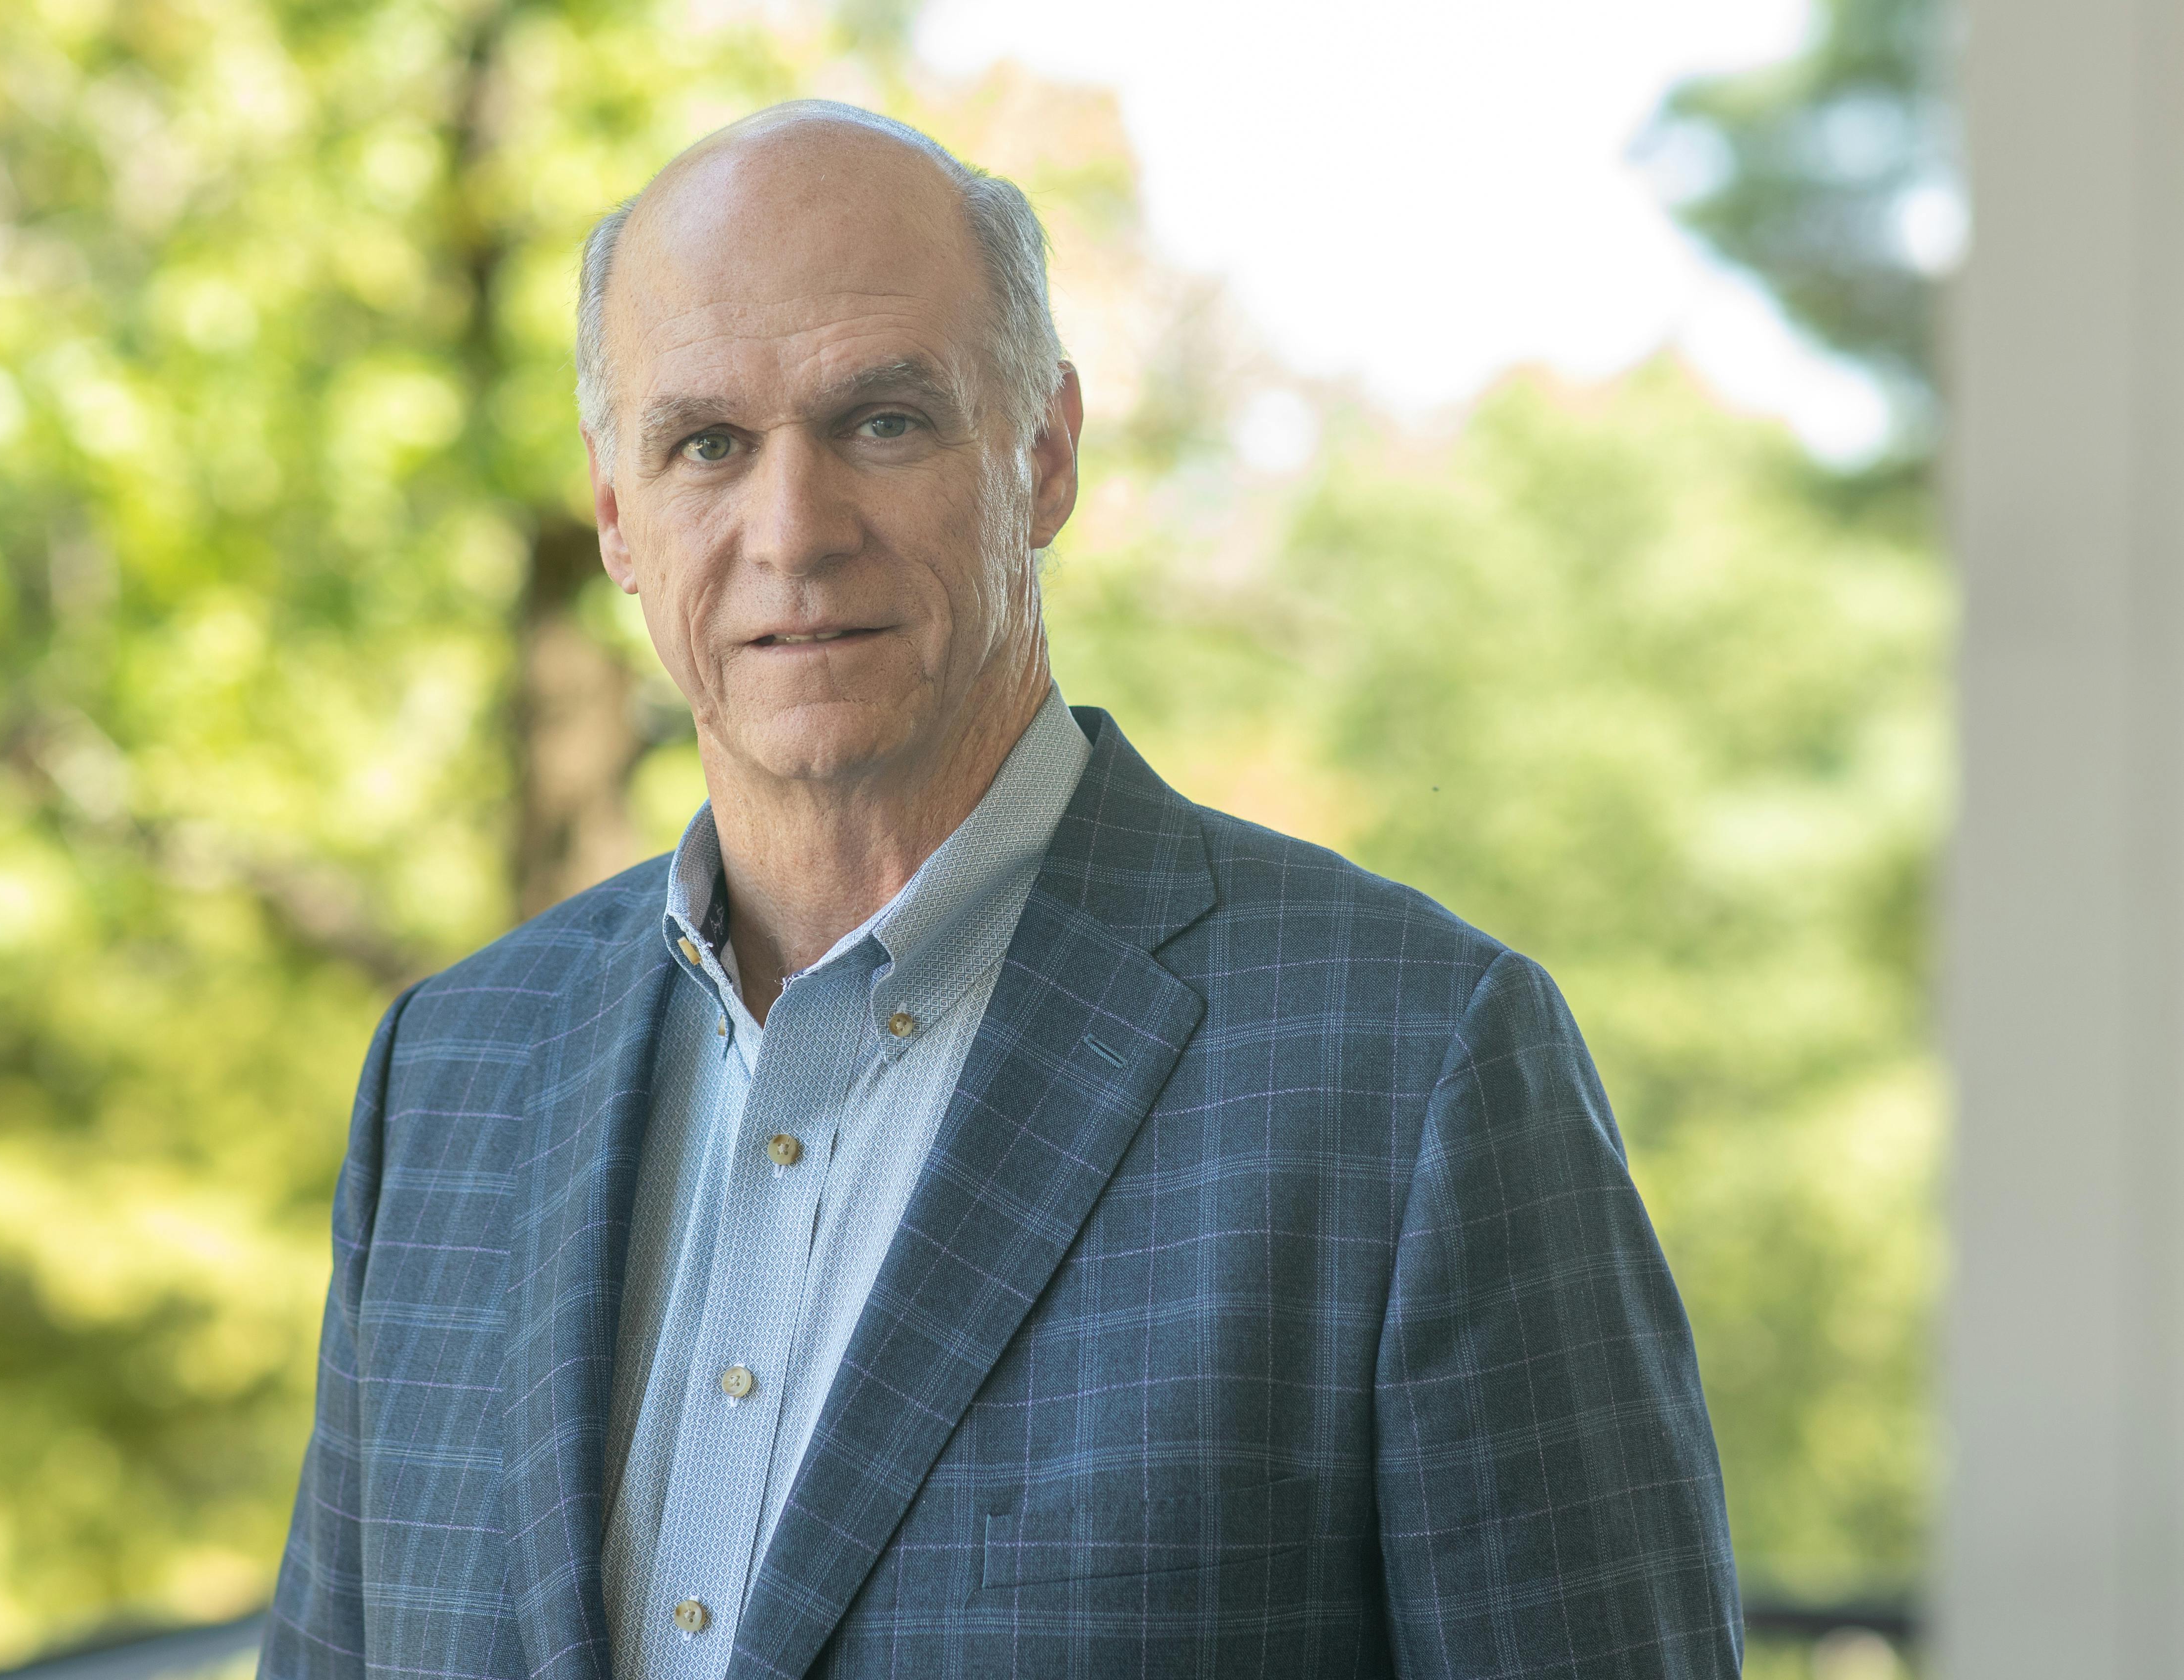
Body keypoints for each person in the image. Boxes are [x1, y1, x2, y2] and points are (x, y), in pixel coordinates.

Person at [260, 101, 1741, 1680]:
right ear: (619, 515)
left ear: (1042, 455)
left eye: (882, 421)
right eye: (705, 444)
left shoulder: (1412, 1072)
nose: (792, 532)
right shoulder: (451, 1075)